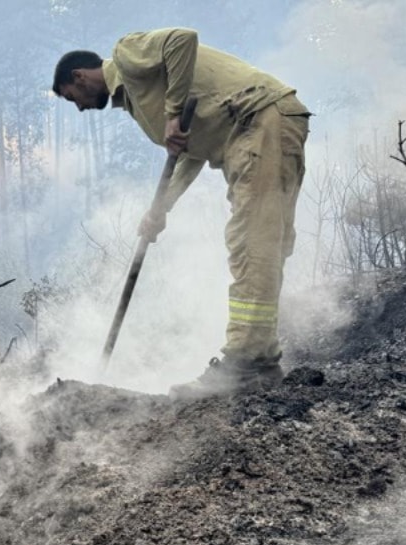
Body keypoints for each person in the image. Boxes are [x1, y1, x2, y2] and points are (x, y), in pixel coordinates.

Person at [53, 28, 311, 399]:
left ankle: (244, 361)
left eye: (71, 97)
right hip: (256, 126)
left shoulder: (126, 55)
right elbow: (190, 152)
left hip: (257, 119)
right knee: (264, 242)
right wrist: (160, 210)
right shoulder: (140, 104)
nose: (77, 106)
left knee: (252, 243)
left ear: (78, 77)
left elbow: (182, 40)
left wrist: (173, 114)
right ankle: (261, 361)